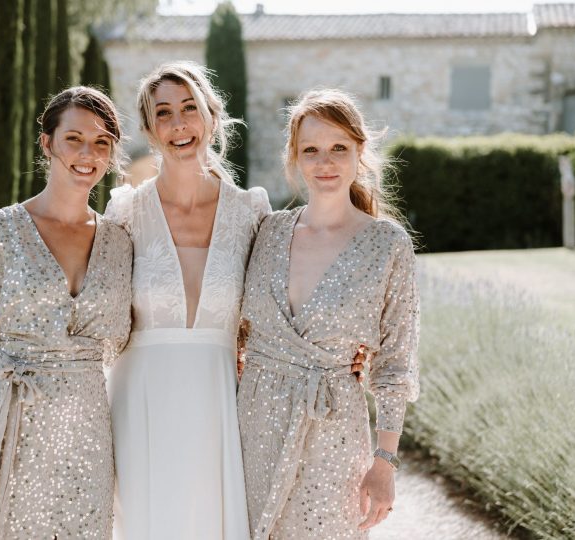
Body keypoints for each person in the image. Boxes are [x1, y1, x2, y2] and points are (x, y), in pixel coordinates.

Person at [0, 87, 132, 540]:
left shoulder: (120, 242)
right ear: (47, 143)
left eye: (102, 143)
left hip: (85, 438)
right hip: (1, 425)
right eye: (74, 139)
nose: (88, 154)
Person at [237, 88, 420, 539]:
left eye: (339, 147)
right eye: (311, 150)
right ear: (294, 158)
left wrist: (385, 461)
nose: (326, 162)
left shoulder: (387, 245)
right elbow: (236, 324)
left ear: (361, 151)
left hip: (334, 434)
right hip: (253, 428)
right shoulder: (267, 231)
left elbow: (396, 363)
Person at [103, 61, 270, 540]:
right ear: (151, 130)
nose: (179, 125)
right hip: (140, 400)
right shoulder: (125, 210)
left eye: (189, 109)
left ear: (211, 117)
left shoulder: (251, 211)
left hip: (220, 400)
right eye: (164, 113)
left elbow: (282, 301)